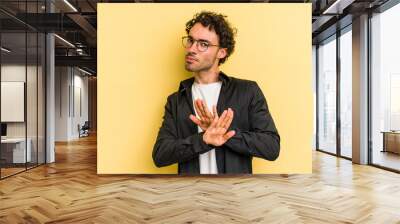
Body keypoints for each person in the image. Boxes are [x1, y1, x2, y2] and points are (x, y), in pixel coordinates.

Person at [152, 11, 280, 174]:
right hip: (191, 194)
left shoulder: (248, 91)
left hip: (234, 194)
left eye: (203, 44)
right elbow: (160, 155)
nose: (191, 49)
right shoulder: (176, 100)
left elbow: (271, 147)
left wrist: (226, 134)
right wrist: (203, 139)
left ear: (222, 52)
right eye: (191, 40)